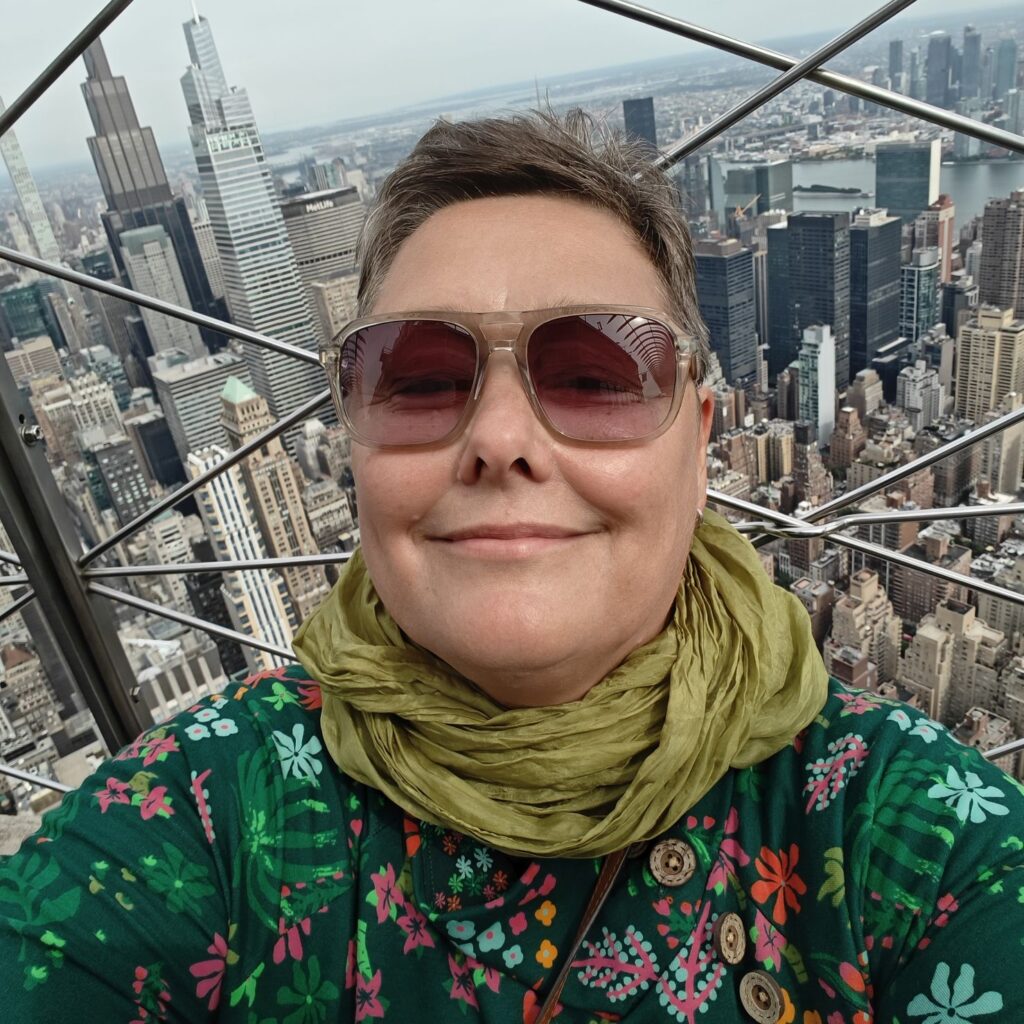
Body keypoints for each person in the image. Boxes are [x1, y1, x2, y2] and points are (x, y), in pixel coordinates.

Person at [2, 111, 1022, 1024]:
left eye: (594, 374)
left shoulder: (911, 834)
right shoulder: (208, 811)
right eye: (418, 379)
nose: (497, 438)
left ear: (701, 437)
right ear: (353, 441)